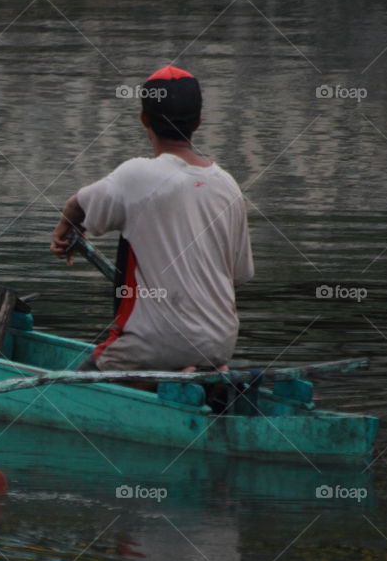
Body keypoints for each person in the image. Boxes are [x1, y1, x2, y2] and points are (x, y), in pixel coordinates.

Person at [50, 65, 254, 372]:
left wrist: (64, 229)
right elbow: (238, 275)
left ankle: (164, 367)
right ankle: (195, 374)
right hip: (219, 345)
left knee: (73, 384)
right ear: (198, 122)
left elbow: (76, 204)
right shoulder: (228, 185)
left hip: (153, 344)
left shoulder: (137, 175)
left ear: (144, 119)